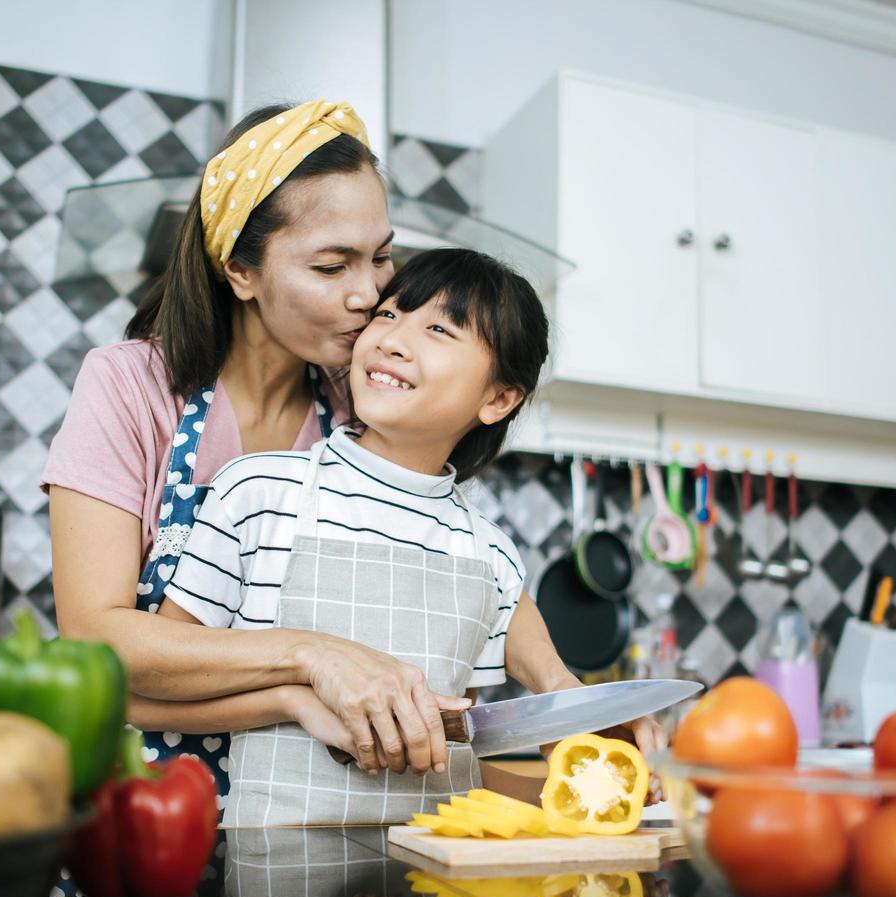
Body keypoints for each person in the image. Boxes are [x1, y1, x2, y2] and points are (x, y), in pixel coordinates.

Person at [43, 99, 666, 798]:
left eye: (379, 257)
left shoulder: (359, 393)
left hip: (305, 816)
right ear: (240, 271)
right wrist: (315, 656)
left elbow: (462, 553)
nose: (368, 294)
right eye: (331, 266)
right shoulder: (131, 385)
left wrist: (563, 698)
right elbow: (95, 644)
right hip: (143, 805)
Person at [147, 248, 546, 831]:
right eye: (388, 315)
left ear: (498, 399)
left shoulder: (490, 559)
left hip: (425, 888)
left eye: (438, 329)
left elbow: (456, 756)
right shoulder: (259, 491)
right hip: (267, 878)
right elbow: (153, 684)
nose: (391, 339)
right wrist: (296, 701)